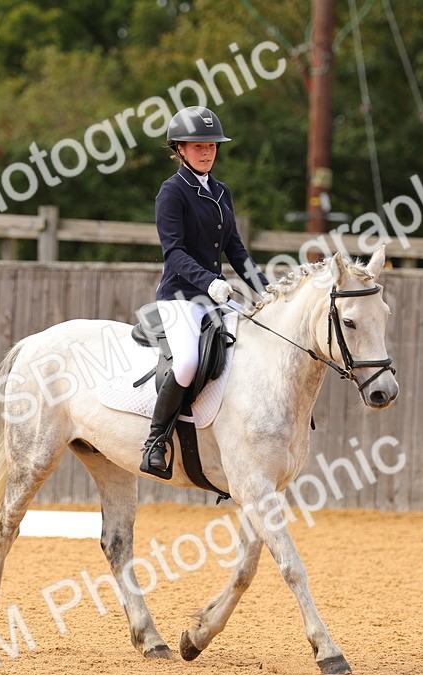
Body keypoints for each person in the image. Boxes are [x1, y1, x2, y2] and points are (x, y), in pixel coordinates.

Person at [140, 105, 270, 476]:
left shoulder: (221, 191)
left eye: (212, 145)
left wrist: (266, 292)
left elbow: (236, 250)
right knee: (186, 363)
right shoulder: (172, 192)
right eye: (198, 146)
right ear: (179, 148)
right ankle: (155, 439)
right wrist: (209, 281)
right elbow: (174, 252)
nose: (207, 152)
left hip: (216, 296)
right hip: (182, 297)